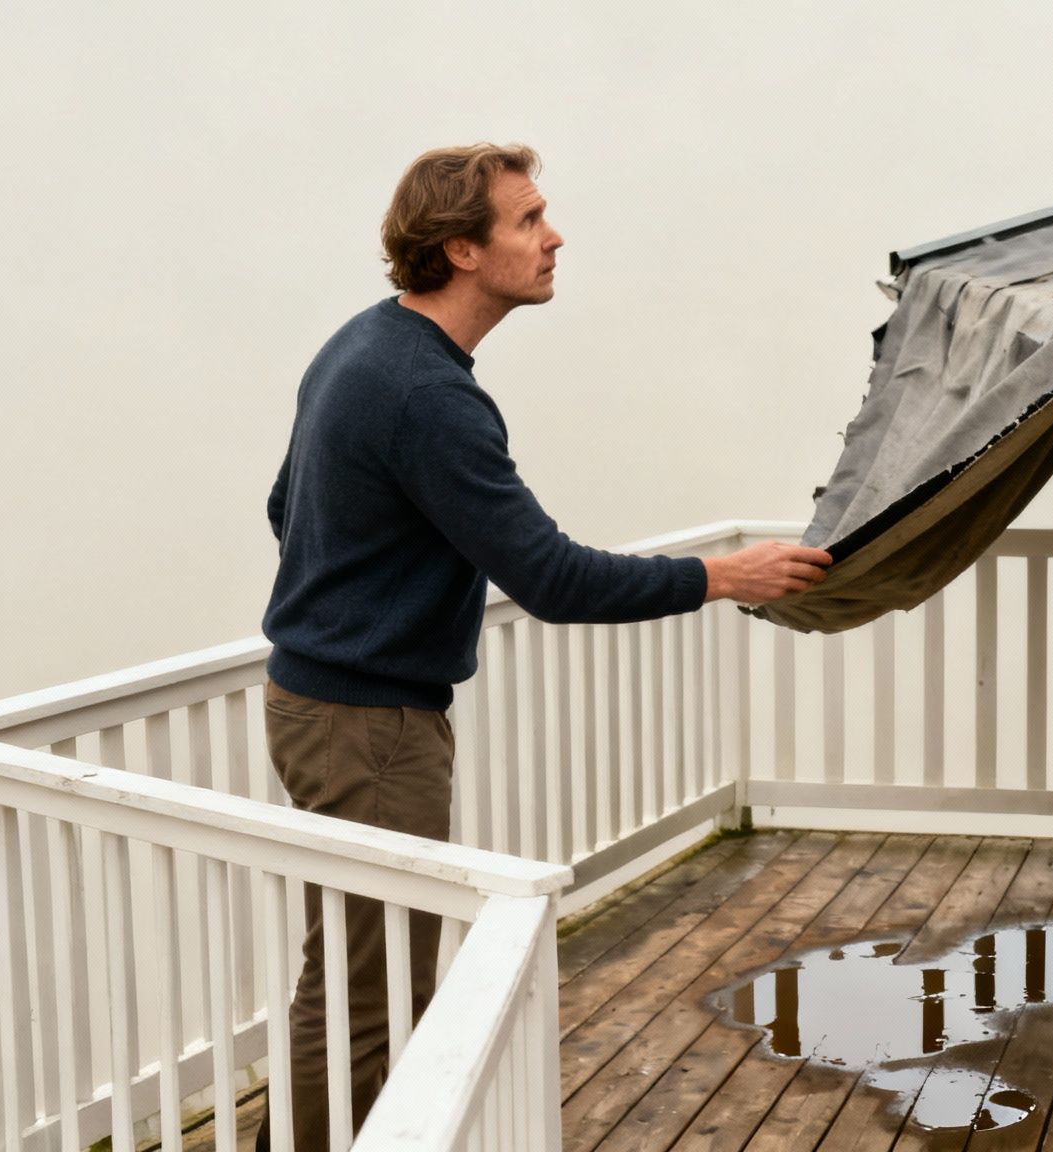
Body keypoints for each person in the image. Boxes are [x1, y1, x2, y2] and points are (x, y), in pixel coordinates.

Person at [258, 142, 830, 1150]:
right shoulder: (428, 397)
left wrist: (381, 584)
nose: (553, 235)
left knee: (351, 976)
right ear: (460, 249)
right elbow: (555, 582)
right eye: (527, 221)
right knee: (371, 995)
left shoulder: (363, 346)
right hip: (369, 728)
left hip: (321, 702)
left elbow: (285, 508)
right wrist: (722, 576)